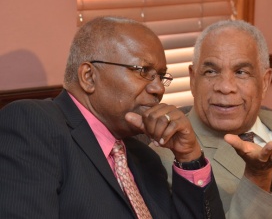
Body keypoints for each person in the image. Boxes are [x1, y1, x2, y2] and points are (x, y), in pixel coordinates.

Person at [0, 17, 225, 219]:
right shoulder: (34, 125)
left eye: (160, 76)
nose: (158, 88)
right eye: (143, 71)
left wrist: (189, 156)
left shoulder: (145, 157)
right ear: (89, 77)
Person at [151, 20, 272, 218]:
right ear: (192, 79)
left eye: (241, 72)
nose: (225, 87)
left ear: (265, 81)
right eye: (211, 71)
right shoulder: (170, 158)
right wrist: (258, 177)